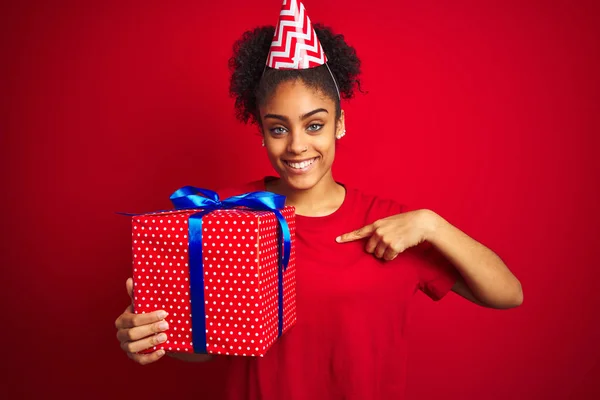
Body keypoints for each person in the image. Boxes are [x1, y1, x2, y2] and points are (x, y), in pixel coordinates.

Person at [114, 1, 523, 399]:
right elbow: (206, 349)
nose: (297, 146)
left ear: (339, 124)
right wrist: (152, 336)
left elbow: (508, 294)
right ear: (260, 130)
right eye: (278, 129)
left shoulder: (395, 227)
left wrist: (433, 224)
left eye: (314, 125)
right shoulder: (226, 216)